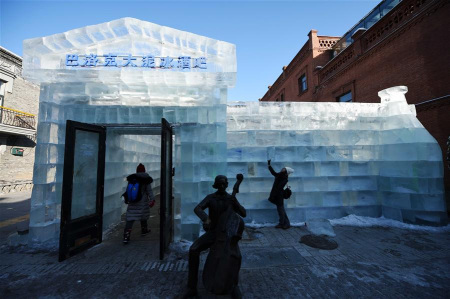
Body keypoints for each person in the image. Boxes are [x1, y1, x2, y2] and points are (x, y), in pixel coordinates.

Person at [184, 175, 246, 298]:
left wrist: (236, 204)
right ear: (216, 185)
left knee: (236, 257)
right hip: (213, 233)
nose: (222, 186)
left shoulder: (230, 199)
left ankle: (234, 286)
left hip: (228, 235)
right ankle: (191, 287)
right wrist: (206, 218)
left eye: (224, 184)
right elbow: (198, 208)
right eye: (219, 184)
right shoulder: (211, 198)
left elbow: (243, 213)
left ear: (227, 185)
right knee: (193, 250)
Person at [123, 163, 155, 244]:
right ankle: (144, 230)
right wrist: (152, 200)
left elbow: (128, 190)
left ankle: (126, 236)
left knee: (130, 218)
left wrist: (127, 199)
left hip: (132, 202)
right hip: (142, 202)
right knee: (143, 215)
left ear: (137, 170)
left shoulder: (132, 178)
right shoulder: (146, 179)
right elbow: (149, 191)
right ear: (144, 170)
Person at [267, 159, 294, 229]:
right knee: (281, 210)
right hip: (277, 195)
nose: (282, 169)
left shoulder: (284, 178)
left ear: (286, 171)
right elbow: (273, 173)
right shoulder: (280, 175)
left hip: (279, 195)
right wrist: (269, 165)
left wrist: (274, 195)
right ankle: (285, 223)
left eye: (284, 169)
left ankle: (284, 224)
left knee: (281, 210)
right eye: (283, 168)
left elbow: (279, 187)